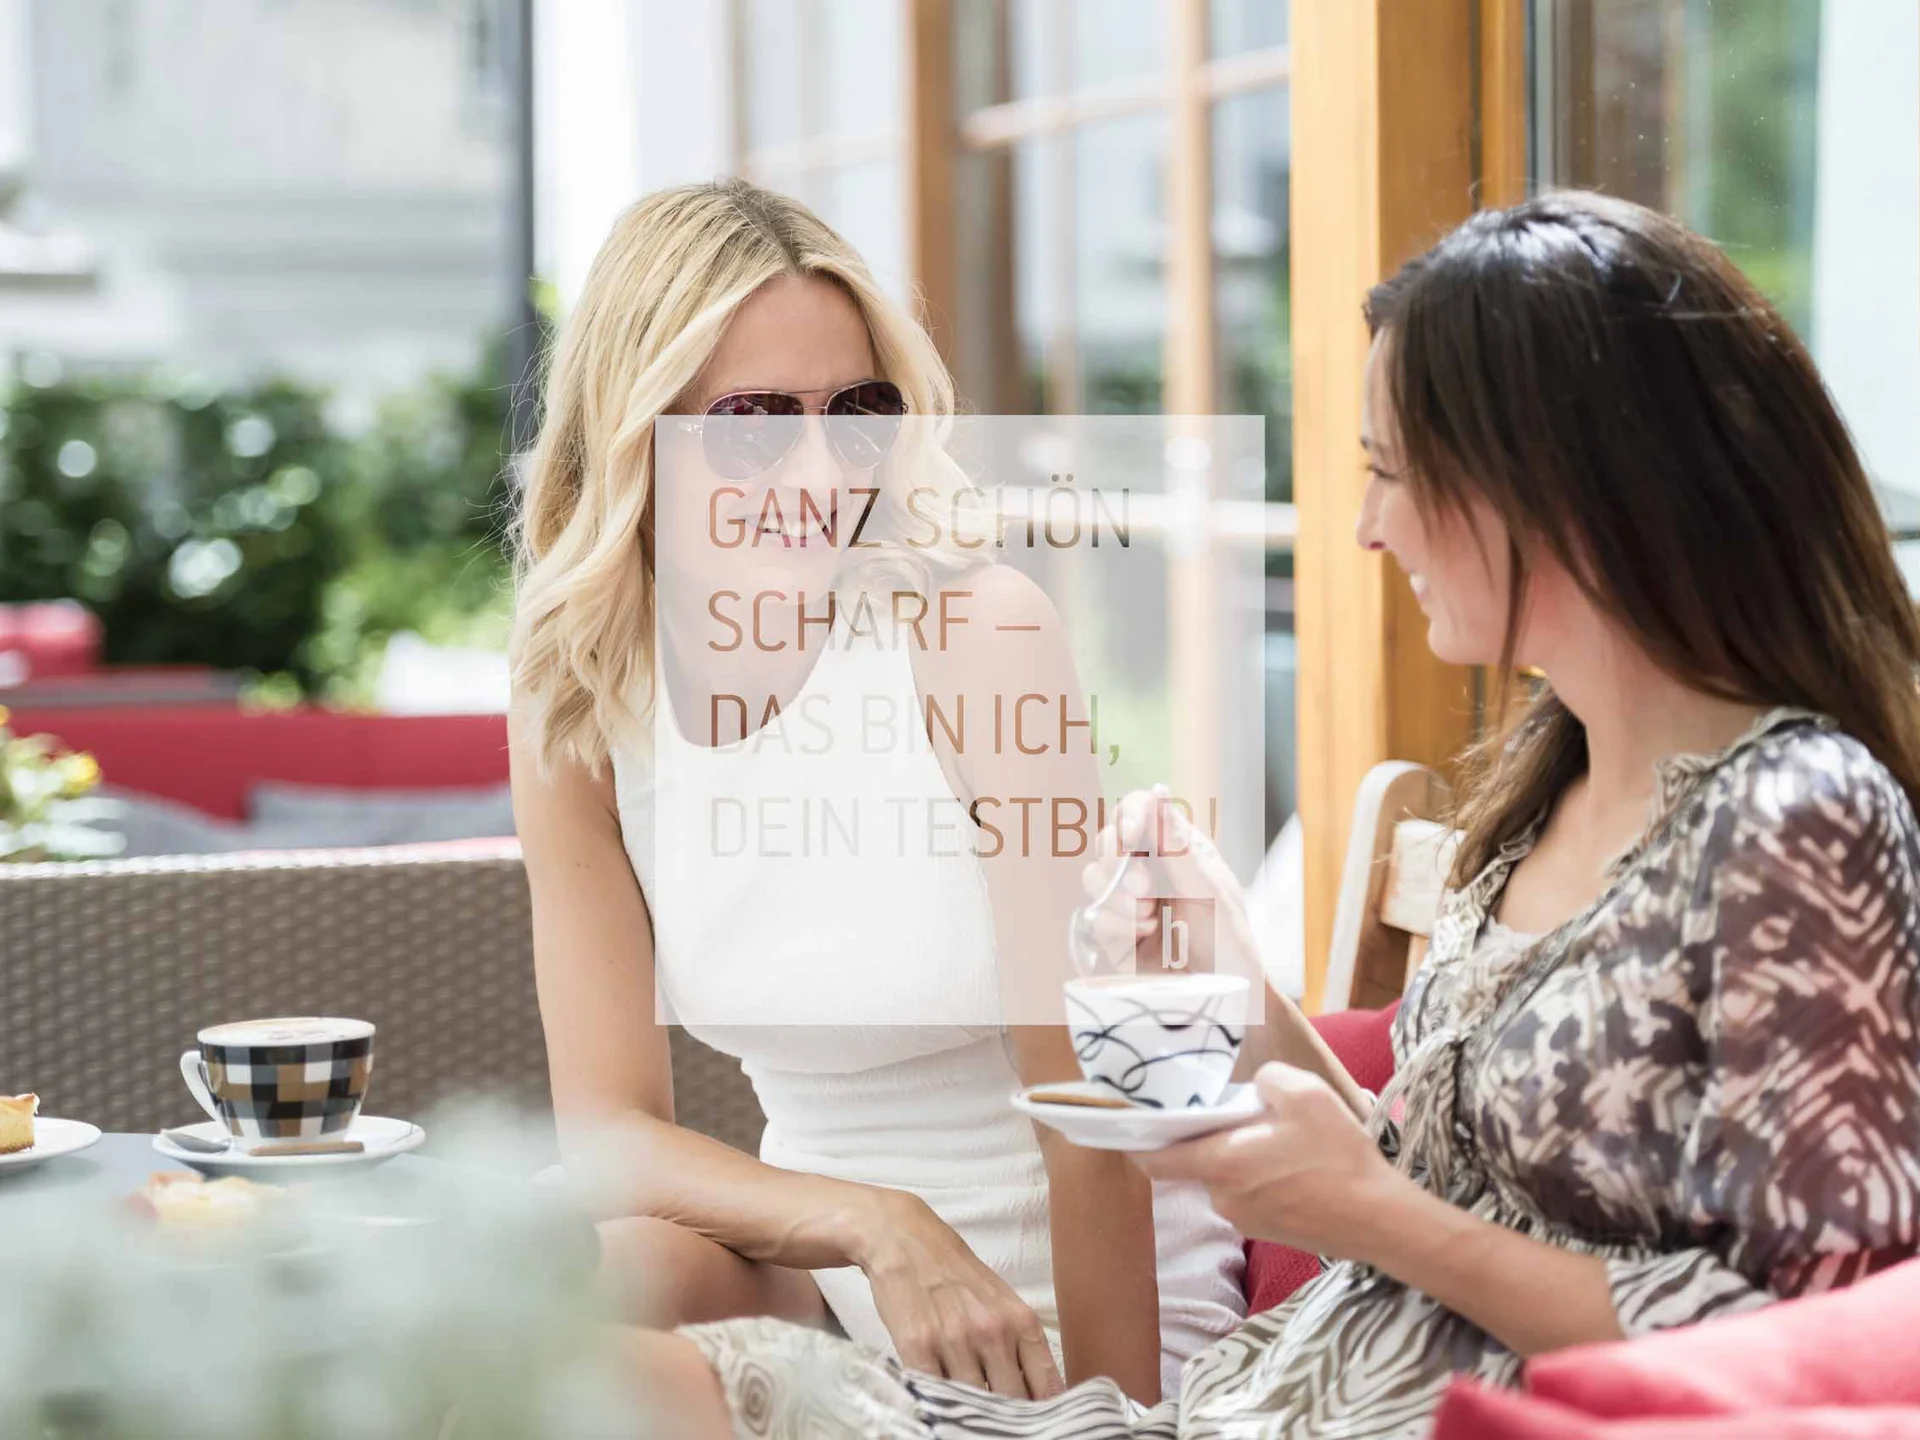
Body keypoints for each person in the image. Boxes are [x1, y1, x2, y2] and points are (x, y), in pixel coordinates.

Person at [618, 188, 1920, 1439]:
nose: (1365, 527)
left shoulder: (1796, 823)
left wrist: (1365, 1217)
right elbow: (1426, 1178)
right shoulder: (1550, 792)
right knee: (593, 1374)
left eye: (1400, 473)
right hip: (1252, 1405)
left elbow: (1806, 1335)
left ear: (1568, 490)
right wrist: (1234, 991)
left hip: (1371, 1418)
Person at [506, 178, 1248, 1411]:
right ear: (637, 430)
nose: (819, 469)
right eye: (753, 423)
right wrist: (870, 1222)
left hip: (1069, 1296)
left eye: (856, 414)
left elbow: (1090, 1120)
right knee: (524, 1306)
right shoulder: (576, 701)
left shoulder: (971, 635)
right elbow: (608, 1133)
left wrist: (1111, 1421)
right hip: (835, 1266)